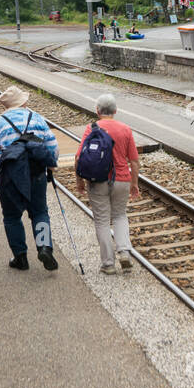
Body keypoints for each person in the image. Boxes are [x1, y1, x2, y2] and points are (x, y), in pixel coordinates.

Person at [0, 85, 60, 271]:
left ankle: (20, 258)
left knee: (11, 217)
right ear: (23, 102)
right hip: (36, 174)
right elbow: (53, 147)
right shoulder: (37, 118)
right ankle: (44, 248)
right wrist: (50, 165)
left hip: (9, 177)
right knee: (39, 212)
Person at [74, 94, 140, 275]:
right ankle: (124, 252)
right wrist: (134, 183)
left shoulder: (91, 128)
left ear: (97, 111)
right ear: (116, 111)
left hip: (97, 181)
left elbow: (79, 157)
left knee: (102, 221)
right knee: (119, 215)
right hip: (121, 180)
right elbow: (134, 161)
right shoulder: (125, 129)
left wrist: (79, 181)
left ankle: (108, 264)